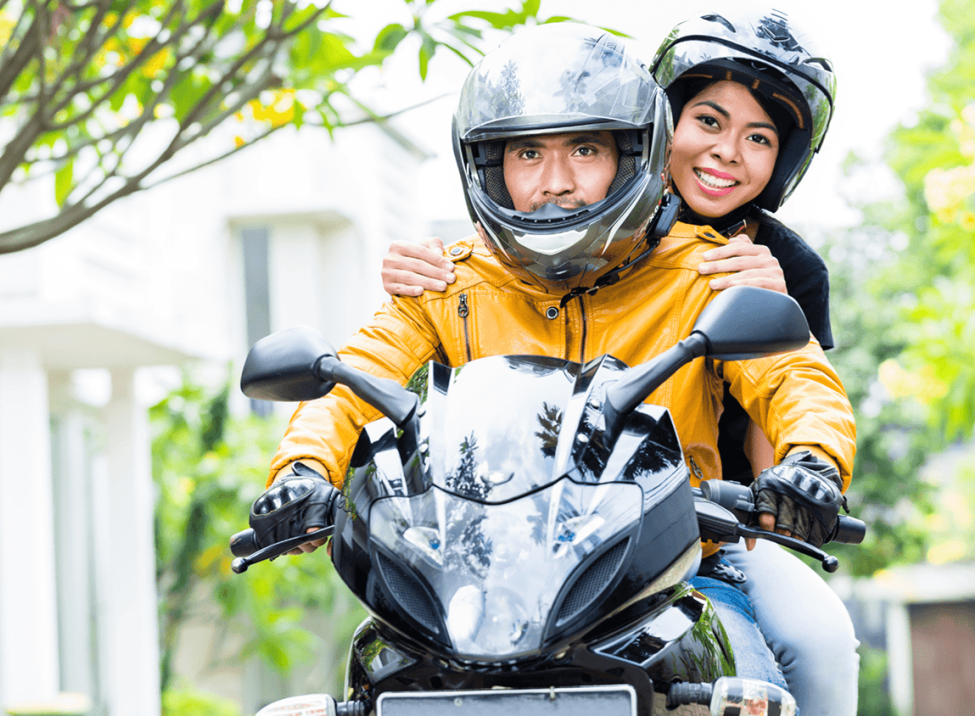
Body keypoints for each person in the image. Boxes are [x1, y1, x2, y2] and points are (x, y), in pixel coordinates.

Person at [262, 20, 856, 714]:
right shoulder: (447, 282)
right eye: (526, 153)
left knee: (758, 684)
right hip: (473, 578)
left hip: (673, 568)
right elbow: (357, 374)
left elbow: (793, 376)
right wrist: (301, 472)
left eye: (584, 149)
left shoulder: (708, 270)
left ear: (634, 154)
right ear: (488, 165)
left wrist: (812, 460)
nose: (555, 183)